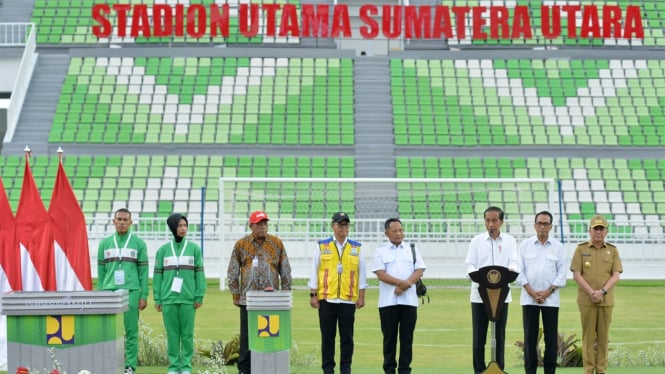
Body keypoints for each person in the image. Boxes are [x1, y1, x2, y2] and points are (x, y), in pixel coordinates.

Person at [227, 210, 293, 374]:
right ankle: (244, 369)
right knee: (247, 336)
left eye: (265, 223)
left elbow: (285, 270)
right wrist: (235, 294)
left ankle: (269, 368)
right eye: (259, 224)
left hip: (272, 302)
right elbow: (233, 270)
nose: (263, 227)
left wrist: (285, 294)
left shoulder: (277, 243)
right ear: (251, 225)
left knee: (270, 335)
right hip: (248, 300)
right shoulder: (241, 244)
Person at [308, 212, 368, 374]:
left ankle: (345, 369)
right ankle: (328, 369)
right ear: (333, 226)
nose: (344, 228)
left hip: (348, 300)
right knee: (327, 338)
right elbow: (314, 270)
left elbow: (361, 273)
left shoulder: (356, 247)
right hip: (326, 299)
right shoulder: (322, 245)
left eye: (346, 225)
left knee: (347, 338)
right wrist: (313, 295)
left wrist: (361, 296)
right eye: (340, 224)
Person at [464, 206, 520, 374]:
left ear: (501, 222)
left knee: (500, 335)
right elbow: (470, 265)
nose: (491, 224)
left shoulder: (510, 241)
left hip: (501, 296)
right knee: (479, 337)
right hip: (479, 296)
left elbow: (515, 263)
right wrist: (476, 275)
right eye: (488, 220)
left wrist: (510, 271)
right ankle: (479, 370)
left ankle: (499, 368)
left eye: (495, 220)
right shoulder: (476, 241)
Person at [153, 213, 207, 374]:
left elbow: (200, 274)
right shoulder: (163, 251)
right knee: (172, 335)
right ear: (172, 227)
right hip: (168, 299)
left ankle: (186, 367)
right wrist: (158, 297)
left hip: (188, 299)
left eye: (185, 225)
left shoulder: (194, 249)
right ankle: (174, 366)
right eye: (180, 225)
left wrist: (199, 295)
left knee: (187, 334)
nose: (183, 228)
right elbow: (157, 276)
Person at [97, 208, 149, 374]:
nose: (122, 222)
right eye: (119, 219)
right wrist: (100, 292)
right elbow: (101, 271)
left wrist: (144, 294)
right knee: (109, 330)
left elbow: (143, 272)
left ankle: (130, 365)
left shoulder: (139, 244)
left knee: (131, 330)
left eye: (125, 220)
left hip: (131, 291)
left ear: (130, 222)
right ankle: (110, 363)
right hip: (109, 291)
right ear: (113, 221)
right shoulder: (104, 244)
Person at [371, 218, 426, 374]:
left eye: (400, 230)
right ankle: (389, 370)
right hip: (388, 303)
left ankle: (404, 370)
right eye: (394, 231)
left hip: (409, 302)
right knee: (389, 340)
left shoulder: (412, 248)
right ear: (386, 233)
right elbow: (381, 274)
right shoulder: (380, 251)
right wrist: (402, 284)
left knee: (407, 339)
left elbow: (420, 270)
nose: (398, 233)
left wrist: (406, 284)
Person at [516, 211, 567, 374]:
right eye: (539, 223)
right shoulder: (525, 245)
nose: (542, 227)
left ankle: (549, 372)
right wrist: (531, 292)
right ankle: (530, 371)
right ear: (535, 225)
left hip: (550, 300)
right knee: (530, 339)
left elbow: (562, 274)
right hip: (528, 299)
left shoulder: (558, 247)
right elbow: (519, 271)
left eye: (546, 224)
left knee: (551, 339)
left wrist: (547, 292)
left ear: (551, 226)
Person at [570, 215, 623, 374]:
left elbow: (616, 275)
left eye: (601, 229)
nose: (598, 232)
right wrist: (592, 292)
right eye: (596, 229)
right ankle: (588, 370)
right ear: (590, 230)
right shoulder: (581, 249)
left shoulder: (612, 250)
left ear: (606, 231)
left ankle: (601, 370)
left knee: (603, 337)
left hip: (606, 300)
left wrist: (602, 291)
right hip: (587, 300)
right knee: (588, 337)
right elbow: (577, 274)